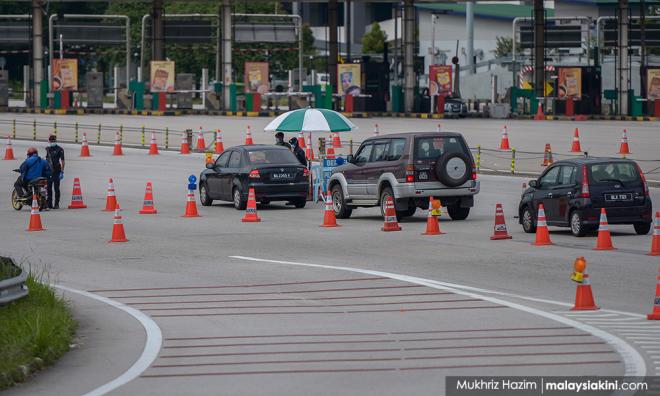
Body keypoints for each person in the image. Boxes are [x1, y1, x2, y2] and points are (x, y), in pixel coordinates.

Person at [45, 135, 65, 209]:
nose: (51, 142)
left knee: (56, 189)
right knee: (48, 188)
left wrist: (62, 172)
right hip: (49, 171)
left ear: (55, 141)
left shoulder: (60, 149)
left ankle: (56, 204)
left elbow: (63, 162)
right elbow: (47, 160)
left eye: (52, 141)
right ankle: (49, 204)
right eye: (50, 141)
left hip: (57, 171)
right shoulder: (48, 149)